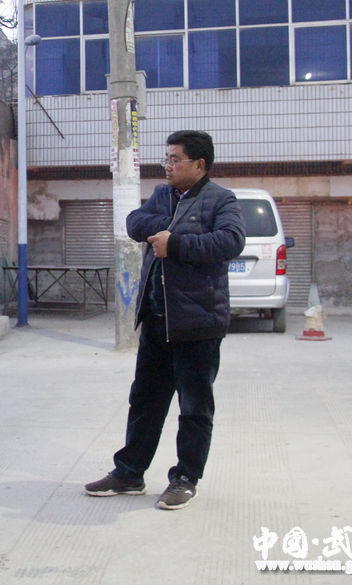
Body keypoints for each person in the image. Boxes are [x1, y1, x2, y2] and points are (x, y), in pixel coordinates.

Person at [84, 130, 245, 510]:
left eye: (175, 159)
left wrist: (176, 243)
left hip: (197, 323)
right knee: (144, 402)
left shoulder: (222, 200)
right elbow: (134, 222)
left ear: (199, 164)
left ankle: (185, 478)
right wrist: (170, 225)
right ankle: (129, 473)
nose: (167, 166)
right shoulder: (163, 195)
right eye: (166, 159)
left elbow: (231, 241)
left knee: (194, 408)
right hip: (157, 320)